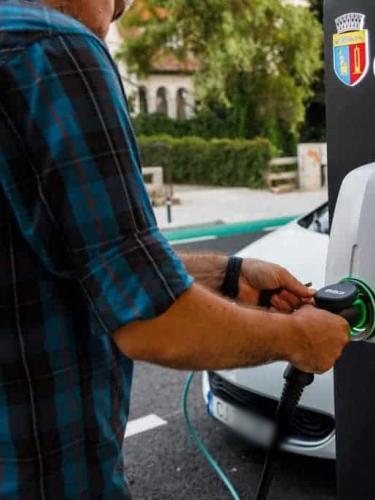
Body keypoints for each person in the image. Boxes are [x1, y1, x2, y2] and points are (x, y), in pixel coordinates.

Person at [0, 0, 350, 497]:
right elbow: (154, 322)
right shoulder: (52, 48)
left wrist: (229, 275)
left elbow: (82, 264)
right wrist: (298, 338)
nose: (121, 11)